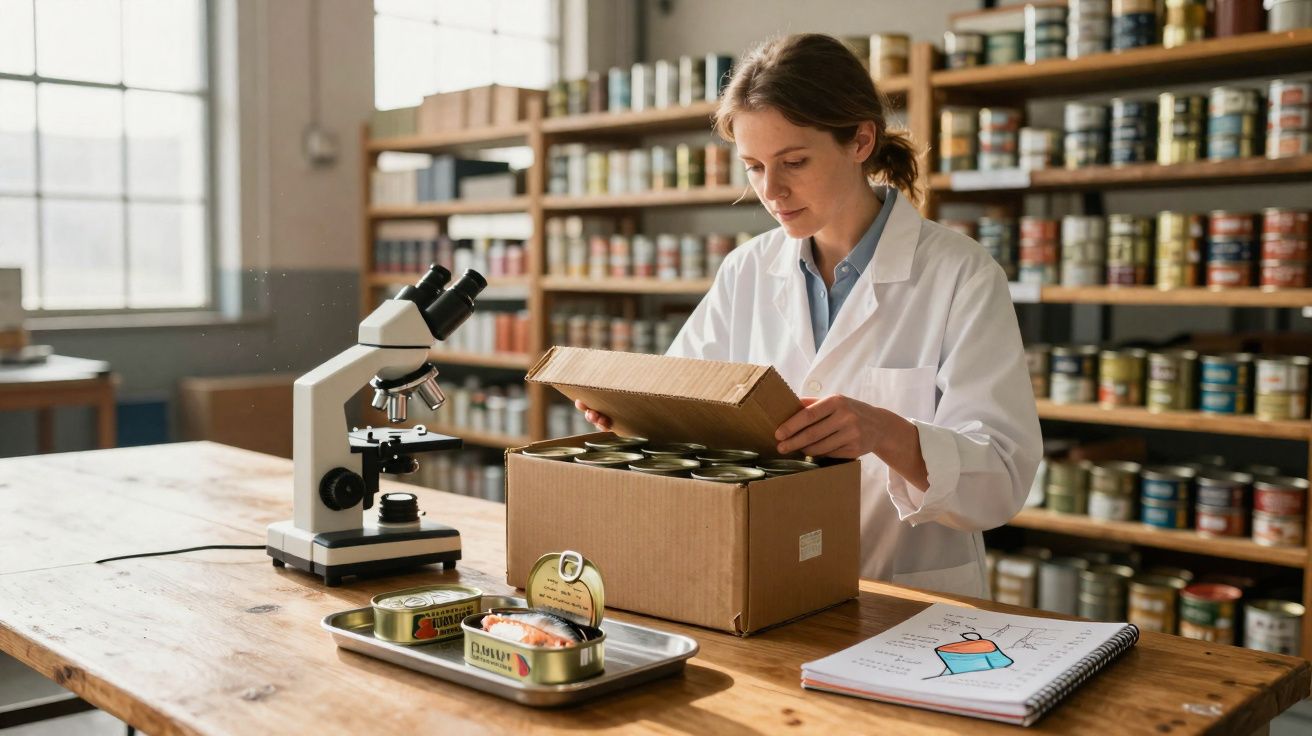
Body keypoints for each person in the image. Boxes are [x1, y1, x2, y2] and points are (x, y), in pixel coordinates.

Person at [576, 33, 1041, 598]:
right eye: (754, 167)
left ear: (861, 140)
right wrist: (635, 415)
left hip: (908, 592)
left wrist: (887, 433)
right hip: (769, 581)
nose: (771, 190)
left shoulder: (961, 274)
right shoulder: (747, 270)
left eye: (794, 162)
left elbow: (1002, 480)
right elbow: (690, 406)